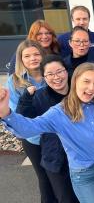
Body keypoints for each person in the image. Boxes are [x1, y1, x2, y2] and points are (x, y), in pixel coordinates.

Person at [0, 63, 94, 203]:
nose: (91, 88)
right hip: (85, 173)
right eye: (86, 81)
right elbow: (29, 128)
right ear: (75, 81)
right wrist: (6, 114)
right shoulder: (60, 112)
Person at [16, 55, 78, 203]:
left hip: (80, 157)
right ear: (44, 76)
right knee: (66, 198)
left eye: (59, 72)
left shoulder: (79, 91)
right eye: (49, 74)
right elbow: (25, 122)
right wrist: (25, 100)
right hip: (55, 158)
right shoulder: (40, 96)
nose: (56, 77)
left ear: (66, 71)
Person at [6, 40, 48, 201]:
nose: (33, 58)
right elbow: (16, 113)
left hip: (55, 135)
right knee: (43, 177)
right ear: (21, 59)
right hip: (33, 138)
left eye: (36, 54)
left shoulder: (51, 75)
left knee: (60, 175)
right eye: (27, 56)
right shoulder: (15, 81)